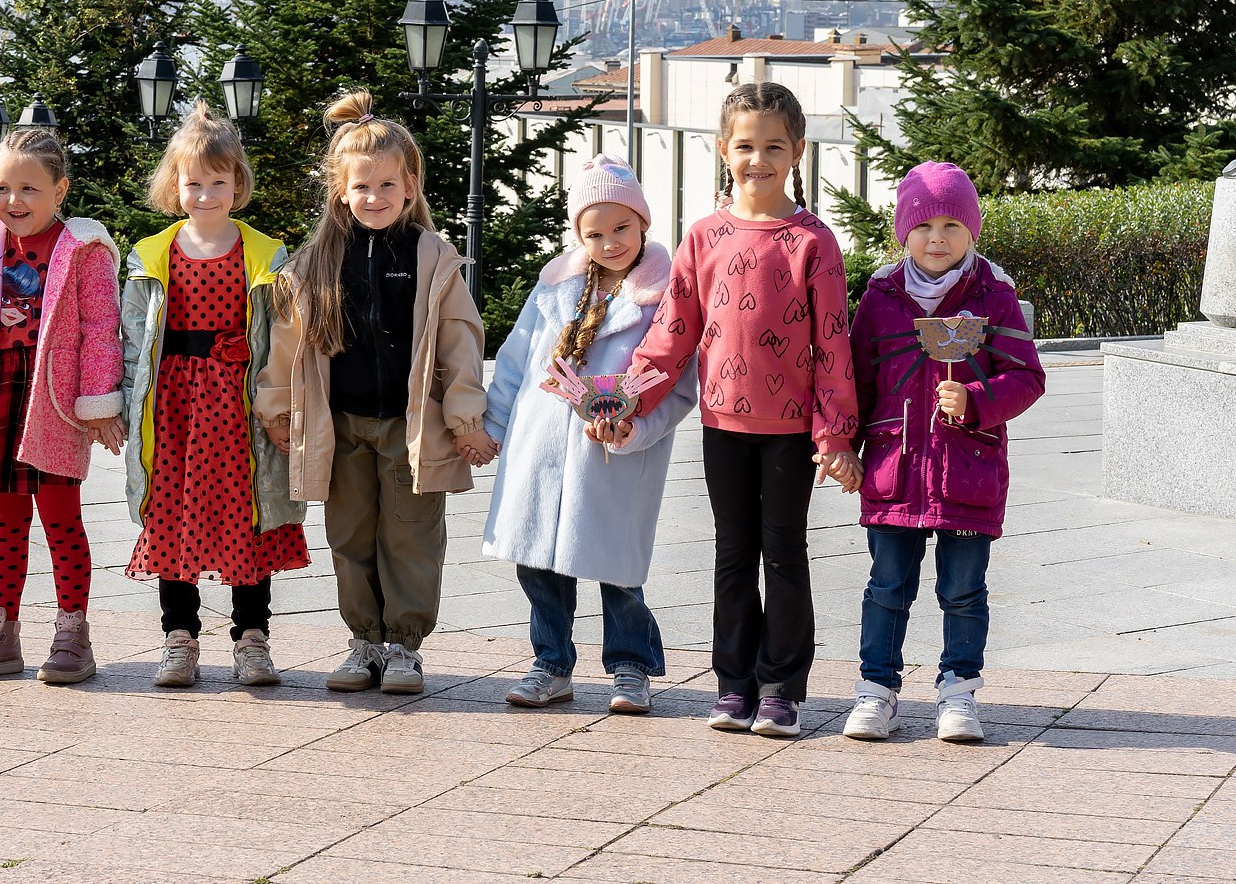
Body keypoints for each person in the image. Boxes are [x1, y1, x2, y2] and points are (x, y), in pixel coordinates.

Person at [626, 81, 860, 738]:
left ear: (798, 152)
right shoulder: (704, 237)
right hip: (723, 427)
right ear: (723, 149)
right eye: (745, 145)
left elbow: (834, 343)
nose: (758, 158)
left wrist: (836, 435)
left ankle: (782, 687)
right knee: (732, 555)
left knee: (783, 554)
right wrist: (625, 398)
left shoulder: (814, 241)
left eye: (773, 146)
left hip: (790, 434)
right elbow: (671, 332)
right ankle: (734, 684)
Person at [255, 90, 491, 696]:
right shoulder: (316, 262)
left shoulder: (431, 257)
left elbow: (460, 343)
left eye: (388, 186)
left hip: (411, 426)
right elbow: (287, 342)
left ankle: (405, 646)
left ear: (409, 186)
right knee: (350, 536)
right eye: (362, 187)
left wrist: (465, 418)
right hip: (340, 425)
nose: (375, 198)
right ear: (340, 190)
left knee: (412, 535)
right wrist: (277, 407)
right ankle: (363, 640)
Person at [481, 156, 698, 712]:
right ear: (578, 233)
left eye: (621, 227)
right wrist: (494, 424)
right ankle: (550, 663)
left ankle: (632, 667)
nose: (610, 242)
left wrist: (635, 429)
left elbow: (675, 385)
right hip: (541, 444)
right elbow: (516, 358)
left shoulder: (664, 296)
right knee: (537, 561)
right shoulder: (556, 285)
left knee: (615, 565)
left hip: (610, 455)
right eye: (594, 232)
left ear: (643, 223)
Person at [843, 161, 1045, 743]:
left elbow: (1027, 377)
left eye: (953, 225)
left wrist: (978, 398)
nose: (938, 238)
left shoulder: (993, 297)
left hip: (967, 471)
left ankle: (959, 690)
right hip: (895, 469)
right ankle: (876, 689)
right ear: (901, 231)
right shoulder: (880, 298)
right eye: (924, 224)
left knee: (963, 591)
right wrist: (845, 447)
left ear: (972, 232)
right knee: (886, 586)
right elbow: (857, 379)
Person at [120, 103, 309, 687]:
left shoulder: (264, 254)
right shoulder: (152, 255)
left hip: (239, 408)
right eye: (194, 183)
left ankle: (252, 637)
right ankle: (179, 636)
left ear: (238, 184)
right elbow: (131, 339)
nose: (206, 195)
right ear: (174, 186)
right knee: (171, 513)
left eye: (218, 183)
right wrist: (121, 407)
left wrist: (280, 406)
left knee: (248, 515)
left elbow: (285, 338)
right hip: (172, 406)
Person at [0, 126, 124, 685]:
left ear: (60, 189)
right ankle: (1, 631)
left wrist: (97, 403)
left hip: (54, 398)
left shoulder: (84, 248)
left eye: (30, 189)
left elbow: (101, 328)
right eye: (2, 188)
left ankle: (72, 632)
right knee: (5, 521)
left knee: (62, 519)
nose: (14, 202)